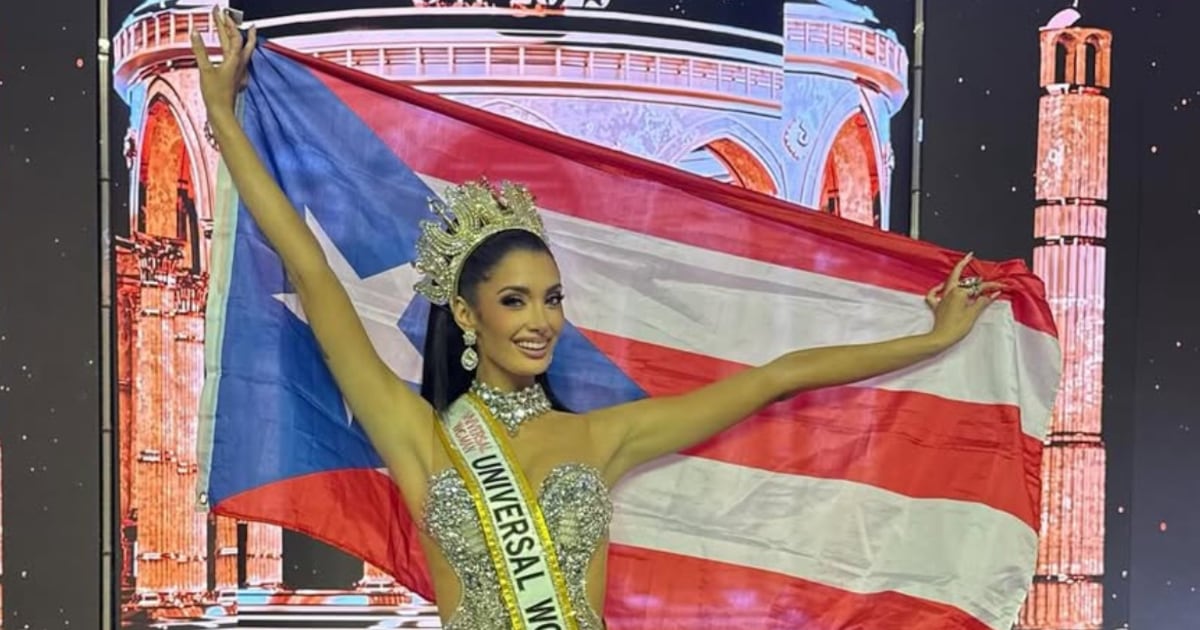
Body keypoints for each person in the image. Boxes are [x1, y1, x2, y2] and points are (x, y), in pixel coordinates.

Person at [191, 9, 1002, 630]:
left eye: (552, 299)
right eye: (515, 300)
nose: (541, 321)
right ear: (467, 315)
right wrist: (224, 119)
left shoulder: (602, 437)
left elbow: (777, 379)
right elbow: (311, 269)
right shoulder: (418, 437)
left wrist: (931, 339)